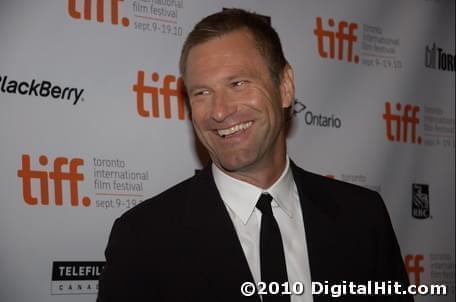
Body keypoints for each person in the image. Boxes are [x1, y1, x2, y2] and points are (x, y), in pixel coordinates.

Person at [97, 8, 413, 302]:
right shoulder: (142, 238)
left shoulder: (363, 217)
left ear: (285, 87)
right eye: (202, 93)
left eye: (237, 83)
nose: (219, 111)